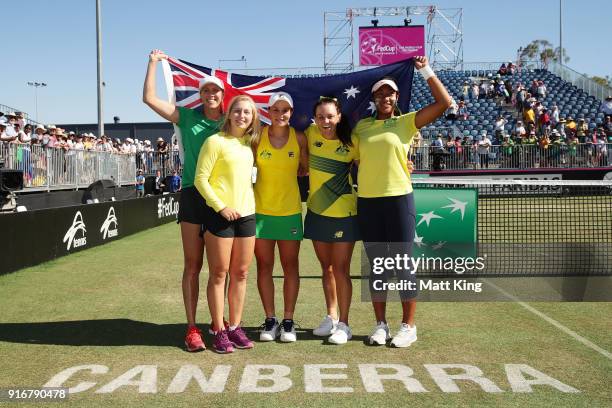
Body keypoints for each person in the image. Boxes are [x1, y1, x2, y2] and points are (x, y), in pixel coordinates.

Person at [352, 56, 452, 348]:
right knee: (378, 267)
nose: (386, 96)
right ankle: (380, 325)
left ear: (397, 97)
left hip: (399, 200)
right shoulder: (361, 128)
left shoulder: (407, 122)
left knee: (403, 264)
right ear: (373, 98)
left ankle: (408, 326)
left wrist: (425, 70)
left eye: (390, 93)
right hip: (368, 201)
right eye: (380, 92)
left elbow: (444, 103)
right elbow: (352, 157)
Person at [143, 49, 225, 352]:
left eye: (215, 90)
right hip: (193, 195)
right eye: (206, 90)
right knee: (193, 264)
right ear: (200, 95)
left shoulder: (233, 121)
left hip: (224, 198)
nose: (211, 95)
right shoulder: (188, 116)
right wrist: (152, 64)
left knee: (221, 270)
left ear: (222, 95)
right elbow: (150, 100)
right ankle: (192, 328)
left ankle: (220, 324)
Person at [194, 95, 260, 354]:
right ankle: (218, 330)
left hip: (247, 216)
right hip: (219, 215)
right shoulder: (214, 142)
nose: (242, 116)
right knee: (219, 274)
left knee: (241, 274)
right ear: (229, 114)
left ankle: (234, 327)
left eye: (247, 112)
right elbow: (201, 179)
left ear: (253, 117)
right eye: (238, 111)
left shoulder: (248, 145)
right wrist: (220, 206)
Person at [304, 96, 360, 345]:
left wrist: (405, 164)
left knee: (340, 270)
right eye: (321, 117)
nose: (325, 121)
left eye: (330, 116)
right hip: (316, 212)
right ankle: (332, 317)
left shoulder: (352, 141)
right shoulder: (308, 134)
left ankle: (345, 324)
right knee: (325, 269)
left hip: (344, 214)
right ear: (314, 119)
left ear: (339, 116)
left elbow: (372, 163)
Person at [253, 92, 308, 343]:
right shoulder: (256, 137)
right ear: (268, 111)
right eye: (275, 109)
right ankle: (270, 319)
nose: (280, 114)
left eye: (285, 109)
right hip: (260, 213)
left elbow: (304, 168)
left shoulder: (299, 137)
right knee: (264, 266)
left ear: (291, 112)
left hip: (289, 213)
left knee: (290, 267)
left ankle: (288, 321)